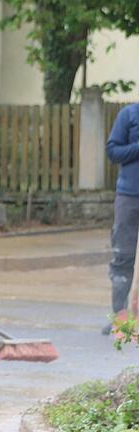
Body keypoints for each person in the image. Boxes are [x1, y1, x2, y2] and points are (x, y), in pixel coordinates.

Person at [105, 103, 139, 334]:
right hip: (129, 196)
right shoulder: (129, 114)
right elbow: (113, 151)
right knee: (123, 257)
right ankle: (120, 318)